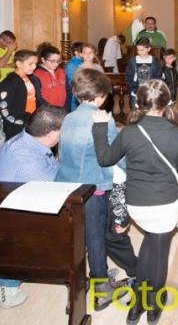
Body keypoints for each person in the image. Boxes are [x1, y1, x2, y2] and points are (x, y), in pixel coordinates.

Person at [92, 80, 178, 325]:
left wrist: (99, 127)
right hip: (164, 204)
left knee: (150, 242)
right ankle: (152, 305)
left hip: (137, 204)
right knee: (159, 254)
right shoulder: (175, 133)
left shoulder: (129, 131)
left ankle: (137, 303)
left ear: (138, 102)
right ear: (167, 103)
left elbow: (105, 158)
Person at [56, 69, 137, 311]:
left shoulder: (68, 118)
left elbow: (62, 153)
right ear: (101, 95)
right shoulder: (103, 119)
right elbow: (112, 155)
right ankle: (102, 288)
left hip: (69, 184)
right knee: (96, 237)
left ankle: (81, 281)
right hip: (94, 188)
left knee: (80, 235)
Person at [0, 105, 65, 309]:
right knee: (66, 220)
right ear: (51, 134)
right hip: (0, 220)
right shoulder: (27, 162)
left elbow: (53, 167)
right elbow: (59, 190)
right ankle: (2, 281)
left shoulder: (27, 141)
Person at [0, 49, 42, 140]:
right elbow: (4, 109)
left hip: (30, 122)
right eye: (30, 64)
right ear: (18, 64)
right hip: (15, 126)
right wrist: (20, 122)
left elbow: (36, 99)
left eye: (35, 64)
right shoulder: (9, 82)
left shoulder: (31, 79)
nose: (34, 67)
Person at [126, 37, 162, 109]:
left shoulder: (154, 61)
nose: (139, 52)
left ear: (149, 49)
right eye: (138, 50)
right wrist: (134, 89)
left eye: (142, 50)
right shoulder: (132, 61)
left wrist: (154, 90)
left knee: (149, 114)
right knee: (136, 114)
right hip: (136, 94)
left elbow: (158, 77)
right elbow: (128, 77)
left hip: (150, 94)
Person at [34, 43, 67, 108]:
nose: (56, 64)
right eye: (52, 61)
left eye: (58, 61)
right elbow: (38, 98)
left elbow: (68, 91)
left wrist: (66, 107)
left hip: (63, 109)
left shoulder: (61, 71)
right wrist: (51, 110)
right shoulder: (36, 74)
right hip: (46, 111)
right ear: (43, 60)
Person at [64, 41, 85, 111]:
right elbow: (72, 83)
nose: (85, 54)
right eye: (83, 51)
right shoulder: (71, 65)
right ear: (76, 52)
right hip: (74, 97)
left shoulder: (82, 62)